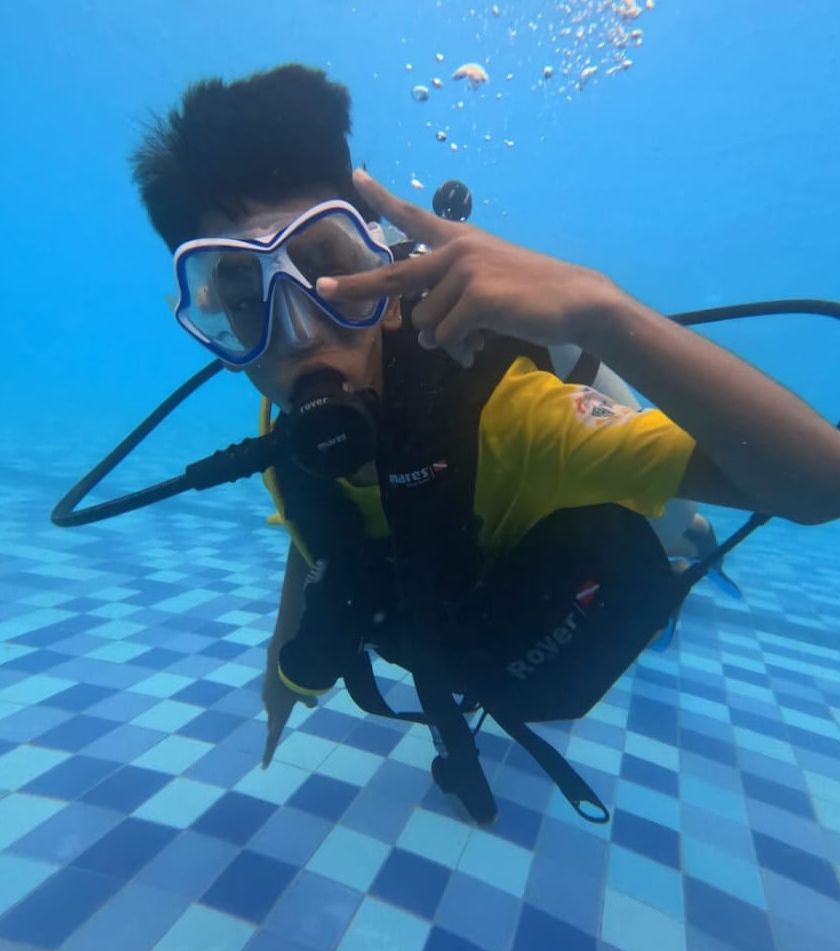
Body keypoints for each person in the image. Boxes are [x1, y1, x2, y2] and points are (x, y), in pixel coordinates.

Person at [130, 64, 840, 806]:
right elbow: (315, 533)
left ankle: (686, 533)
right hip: (478, 595)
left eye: (328, 269)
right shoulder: (288, 433)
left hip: (579, 507)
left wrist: (599, 313)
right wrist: (281, 675)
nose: (300, 335)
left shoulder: (511, 420)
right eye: (246, 300)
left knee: (670, 525)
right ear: (216, 325)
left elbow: (822, 486)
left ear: (385, 285)